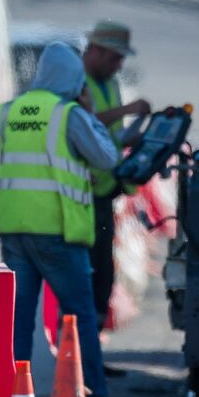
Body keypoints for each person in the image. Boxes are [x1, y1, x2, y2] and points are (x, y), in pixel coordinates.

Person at [0, 41, 135, 397]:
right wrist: (89, 113)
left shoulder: (8, 112)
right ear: (74, 79)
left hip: (13, 230)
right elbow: (106, 158)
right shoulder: (69, 114)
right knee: (80, 318)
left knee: (20, 320)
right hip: (57, 231)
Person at [81, 21, 152, 371]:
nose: (118, 65)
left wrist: (137, 138)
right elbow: (83, 122)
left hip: (105, 193)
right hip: (83, 195)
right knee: (89, 274)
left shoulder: (108, 83)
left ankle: (92, 353)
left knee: (104, 276)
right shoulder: (79, 82)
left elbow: (111, 137)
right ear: (94, 50)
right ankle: (83, 359)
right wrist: (127, 112)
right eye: (114, 57)